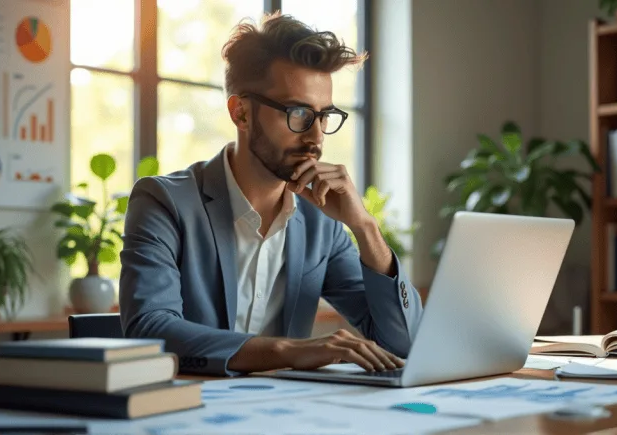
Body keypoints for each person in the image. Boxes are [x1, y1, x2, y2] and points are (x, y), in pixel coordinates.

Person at [119, 12, 422, 376]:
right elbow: (150, 329)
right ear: (241, 113)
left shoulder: (320, 222)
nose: (316, 138)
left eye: (324, 116)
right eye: (298, 114)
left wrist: (366, 228)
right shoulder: (164, 202)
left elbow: (403, 342)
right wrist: (288, 351)